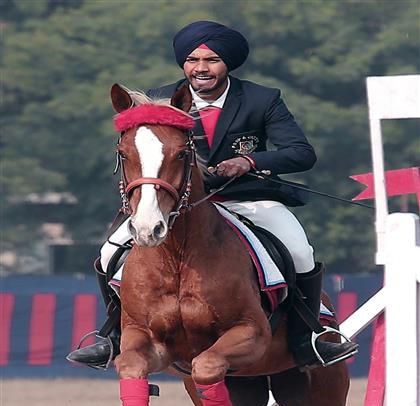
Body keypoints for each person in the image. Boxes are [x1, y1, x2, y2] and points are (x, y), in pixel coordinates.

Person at [67, 20, 357, 371]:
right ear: (183, 64)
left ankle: (308, 337)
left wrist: (250, 160)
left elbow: (301, 152)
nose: (201, 68)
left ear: (227, 64)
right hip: (174, 204)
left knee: (298, 248)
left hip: (247, 200)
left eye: (212, 60)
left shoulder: (260, 99)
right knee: (108, 252)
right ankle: (112, 336)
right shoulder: (162, 100)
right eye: (192, 60)